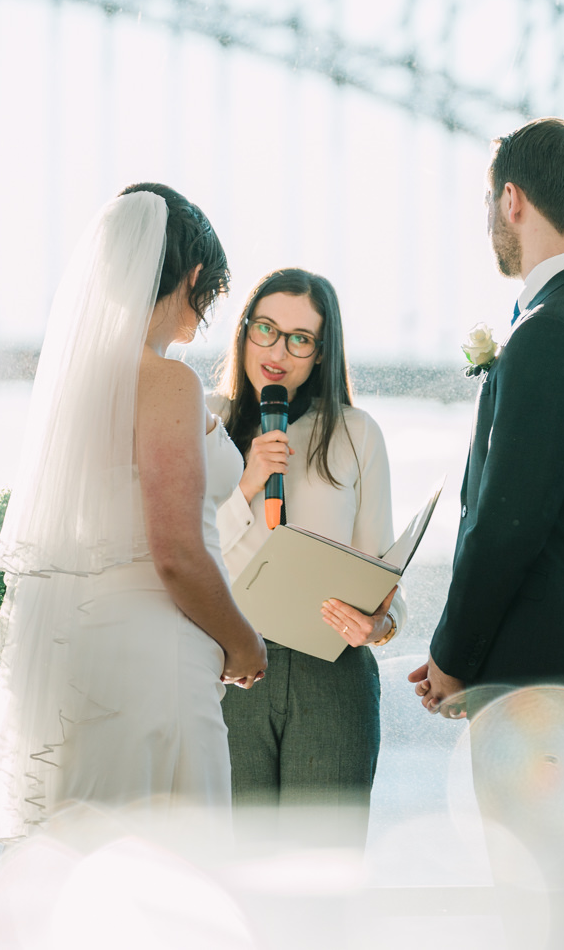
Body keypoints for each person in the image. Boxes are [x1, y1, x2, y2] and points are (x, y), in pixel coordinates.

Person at [409, 117, 564, 950]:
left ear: (512, 199)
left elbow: (510, 520)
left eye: (489, 200)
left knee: (540, 915)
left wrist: (452, 655)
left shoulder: (549, 329)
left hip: (543, 685)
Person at [0, 183, 267, 843]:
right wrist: (244, 642)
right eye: (210, 296)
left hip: (86, 663)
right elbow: (176, 551)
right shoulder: (166, 380)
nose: (202, 320)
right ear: (192, 276)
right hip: (155, 668)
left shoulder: (77, 388)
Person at [209, 268, 406, 806]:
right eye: (265, 328)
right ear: (244, 330)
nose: (278, 350)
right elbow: (179, 547)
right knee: (235, 869)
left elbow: (384, 576)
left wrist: (380, 624)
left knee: (322, 868)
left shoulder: (356, 432)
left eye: (300, 339)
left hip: (332, 673)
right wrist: (246, 483)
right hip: (225, 664)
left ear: (321, 353)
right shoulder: (203, 419)